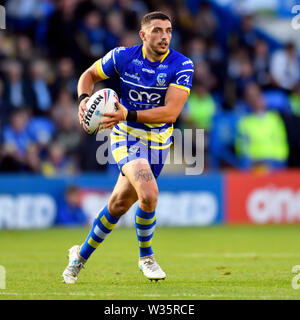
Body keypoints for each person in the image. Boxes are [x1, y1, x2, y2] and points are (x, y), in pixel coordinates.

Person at [62, 11, 194, 283]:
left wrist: (127, 113)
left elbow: (170, 113)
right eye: (157, 30)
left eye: (168, 31)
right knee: (149, 193)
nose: (164, 37)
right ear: (143, 35)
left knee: (118, 205)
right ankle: (146, 256)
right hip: (126, 136)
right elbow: (88, 75)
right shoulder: (122, 57)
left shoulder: (182, 65)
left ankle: (79, 257)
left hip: (158, 143)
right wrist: (84, 99)